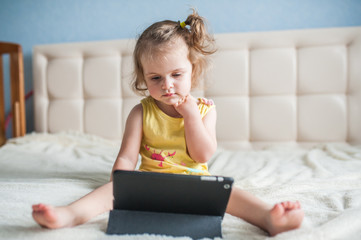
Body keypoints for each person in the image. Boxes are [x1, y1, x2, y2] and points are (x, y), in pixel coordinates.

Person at [32, 10, 304, 236]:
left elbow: (203, 154)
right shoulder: (141, 112)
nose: (167, 85)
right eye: (155, 78)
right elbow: (127, 158)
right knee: (107, 190)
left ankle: (269, 218)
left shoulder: (204, 110)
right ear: (144, 78)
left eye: (176, 74)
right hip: (150, 186)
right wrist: (121, 184)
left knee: (231, 193)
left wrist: (191, 117)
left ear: (193, 71)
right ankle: (69, 215)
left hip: (196, 185)